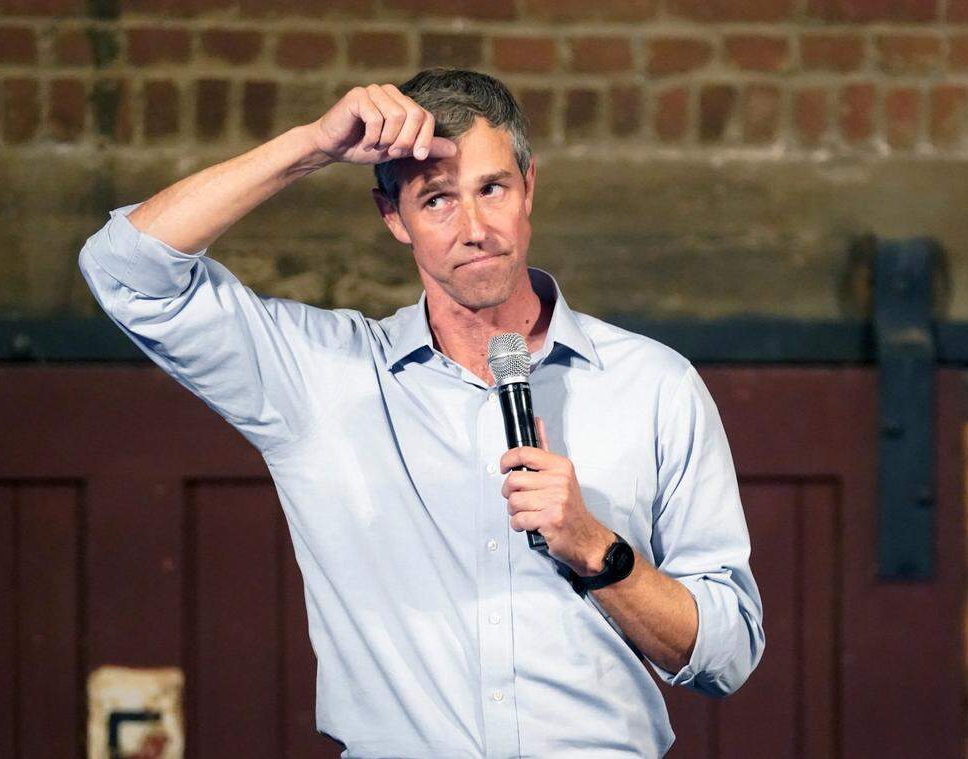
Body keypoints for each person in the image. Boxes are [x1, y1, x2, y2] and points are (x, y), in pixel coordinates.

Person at [78, 68, 765, 758]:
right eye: (436, 200)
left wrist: (596, 548)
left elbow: (728, 652)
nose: (474, 228)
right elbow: (125, 271)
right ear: (393, 219)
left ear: (530, 189)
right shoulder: (323, 378)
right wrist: (312, 146)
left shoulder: (654, 386)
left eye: (492, 188)